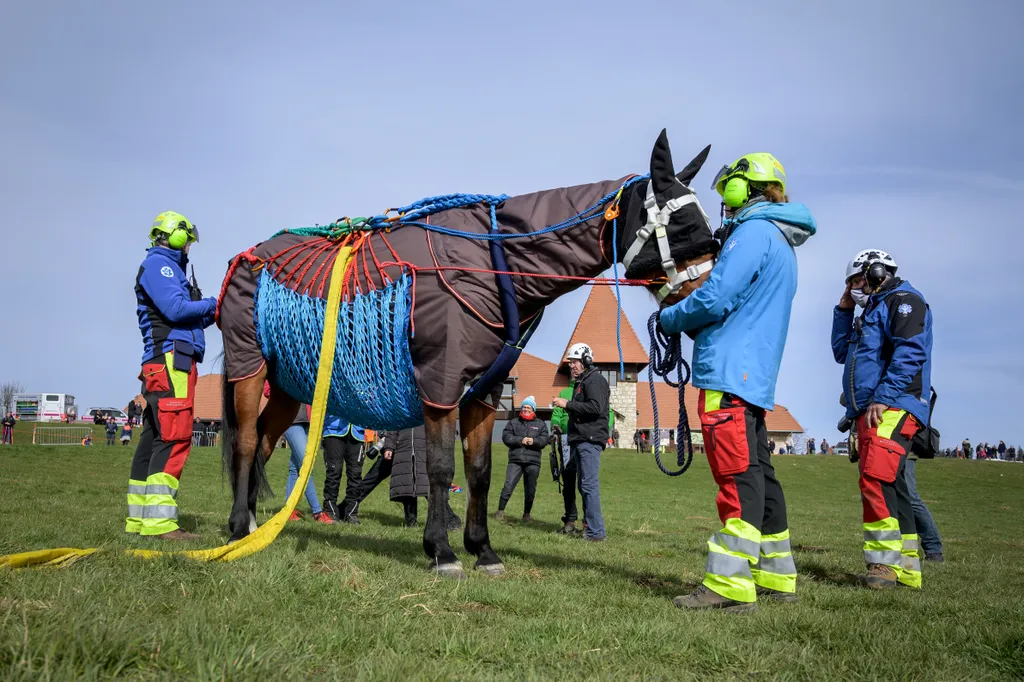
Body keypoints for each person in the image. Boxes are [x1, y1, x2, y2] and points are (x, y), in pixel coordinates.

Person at [660, 152, 815, 612]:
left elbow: (716, 296)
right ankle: (776, 575)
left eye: (726, 188)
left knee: (735, 474)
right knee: (760, 473)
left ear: (741, 188)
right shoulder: (781, 241)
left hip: (727, 371)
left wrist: (670, 317)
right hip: (754, 376)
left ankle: (728, 587)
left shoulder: (752, 233)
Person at [832, 249, 933, 590]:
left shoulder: (903, 301)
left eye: (858, 280)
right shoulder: (871, 311)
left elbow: (911, 351)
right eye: (850, 284)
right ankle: (907, 569)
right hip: (872, 407)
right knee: (894, 485)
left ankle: (883, 566)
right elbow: (841, 352)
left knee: (875, 477)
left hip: (893, 404)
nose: (855, 288)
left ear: (878, 273)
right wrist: (844, 311)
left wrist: (883, 396)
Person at [126, 211, 217, 540]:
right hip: (171, 362)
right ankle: (161, 524)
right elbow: (177, 310)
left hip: (163, 361)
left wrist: (215, 311)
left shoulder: (167, 267)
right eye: (188, 240)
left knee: (153, 438)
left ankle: (139, 521)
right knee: (175, 436)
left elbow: (185, 318)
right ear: (178, 237)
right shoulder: (160, 266)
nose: (190, 246)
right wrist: (212, 302)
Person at [551, 342, 610, 542]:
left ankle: (596, 532)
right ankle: (587, 526)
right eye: (570, 362)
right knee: (577, 481)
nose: (572, 366)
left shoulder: (595, 381)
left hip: (589, 440)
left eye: (575, 361)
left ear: (586, 361)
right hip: (579, 440)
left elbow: (595, 407)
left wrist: (567, 404)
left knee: (588, 485)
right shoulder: (583, 382)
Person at [353, 426, 461, 529]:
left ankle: (449, 518)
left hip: (420, 449)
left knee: (427, 487)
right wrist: (389, 446)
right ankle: (348, 508)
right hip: (400, 448)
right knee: (403, 484)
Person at [269, 386, 333, 525]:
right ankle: (317, 512)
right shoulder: (280, 367)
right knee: (306, 465)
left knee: (295, 468)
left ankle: (289, 510)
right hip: (289, 419)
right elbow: (268, 389)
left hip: (308, 421)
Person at [495, 397, 550, 522]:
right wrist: (520, 440)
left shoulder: (541, 424)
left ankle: (526, 514)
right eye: (524, 407)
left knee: (530, 489)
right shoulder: (513, 422)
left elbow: (544, 440)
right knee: (508, 486)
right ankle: (500, 511)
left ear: (533, 410)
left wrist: (533, 441)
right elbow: (506, 437)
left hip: (533, 462)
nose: (525, 409)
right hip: (515, 460)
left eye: (528, 407)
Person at [321, 416, 367, 523]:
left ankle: (352, 513)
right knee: (334, 472)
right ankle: (329, 511)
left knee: (355, 475)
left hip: (357, 432)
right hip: (334, 430)